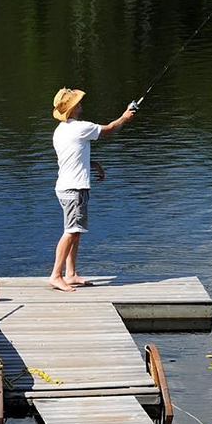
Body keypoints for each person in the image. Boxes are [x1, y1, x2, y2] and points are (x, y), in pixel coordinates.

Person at [49, 87, 135, 292]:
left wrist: (93, 163)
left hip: (66, 187)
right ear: (71, 108)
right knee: (70, 231)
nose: (81, 105)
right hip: (74, 189)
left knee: (75, 231)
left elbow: (73, 156)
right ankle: (56, 275)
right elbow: (110, 130)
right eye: (77, 102)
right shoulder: (79, 128)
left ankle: (70, 274)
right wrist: (124, 117)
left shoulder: (60, 131)